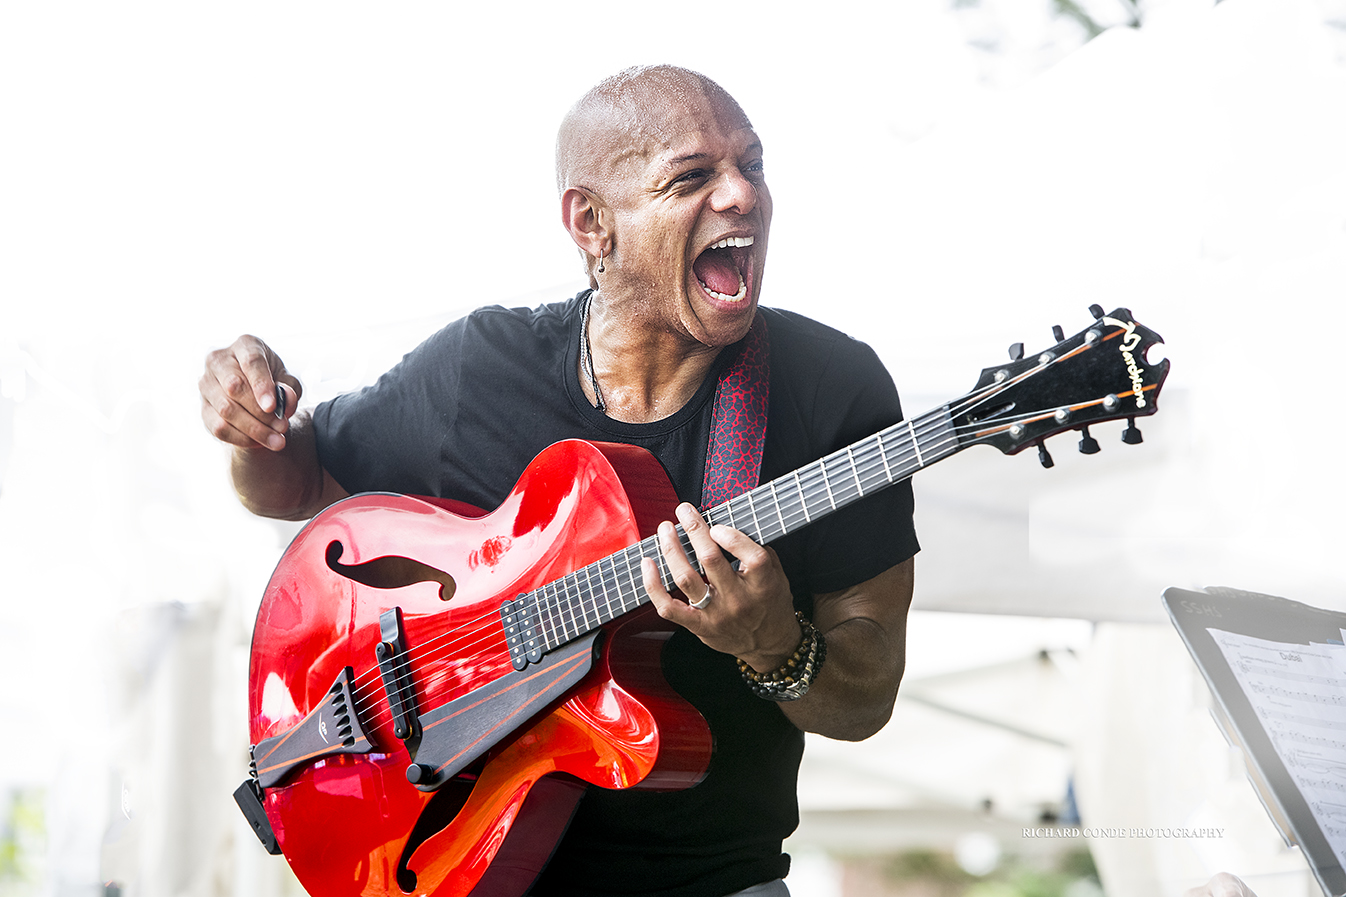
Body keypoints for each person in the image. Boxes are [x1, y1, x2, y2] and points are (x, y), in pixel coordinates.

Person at [200, 65, 918, 897]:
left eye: (752, 166)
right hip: (459, 866)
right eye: (692, 177)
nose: (742, 197)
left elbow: (866, 700)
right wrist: (250, 423)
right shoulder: (483, 367)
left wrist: (774, 644)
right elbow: (297, 483)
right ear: (591, 223)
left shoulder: (833, 389)